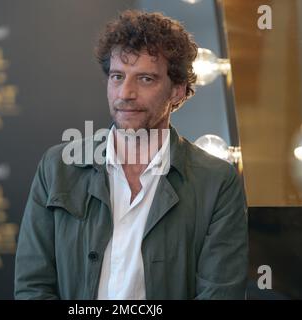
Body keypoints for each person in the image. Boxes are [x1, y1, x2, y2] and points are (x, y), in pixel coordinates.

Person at [14, 10, 248, 300]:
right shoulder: (58, 167)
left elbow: (220, 294)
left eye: (146, 79)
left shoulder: (216, 181)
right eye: (117, 76)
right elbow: (32, 288)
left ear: (177, 91)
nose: (125, 92)